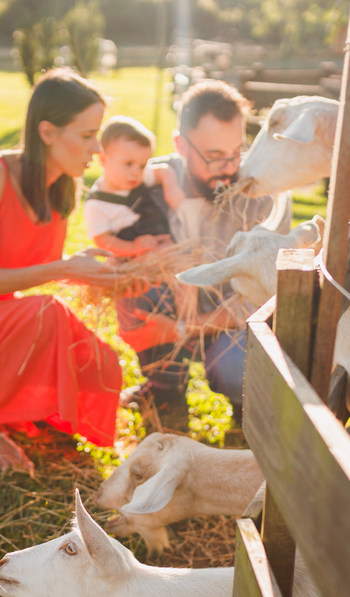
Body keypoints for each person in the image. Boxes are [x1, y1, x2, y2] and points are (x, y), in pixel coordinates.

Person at [0, 69, 128, 473]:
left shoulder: (61, 187)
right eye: (87, 135)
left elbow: (33, 270)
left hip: (0, 332)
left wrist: (85, 269)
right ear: (47, 132)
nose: (97, 147)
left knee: (105, 367)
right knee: (47, 311)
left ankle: (6, 401)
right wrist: (64, 267)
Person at [116, 80, 291, 433]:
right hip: (172, 301)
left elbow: (267, 296)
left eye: (236, 152)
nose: (228, 168)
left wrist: (185, 328)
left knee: (234, 370)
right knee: (132, 286)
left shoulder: (265, 196)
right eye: (214, 156)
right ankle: (163, 387)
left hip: (238, 320)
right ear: (180, 145)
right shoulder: (148, 181)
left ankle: (247, 402)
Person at [82, 116, 179, 258]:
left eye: (142, 165)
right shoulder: (96, 204)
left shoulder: (139, 177)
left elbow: (164, 171)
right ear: (103, 160)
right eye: (128, 164)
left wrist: (172, 190)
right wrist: (133, 247)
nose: (136, 172)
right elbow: (102, 240)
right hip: (130, 256)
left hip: (161, 242)